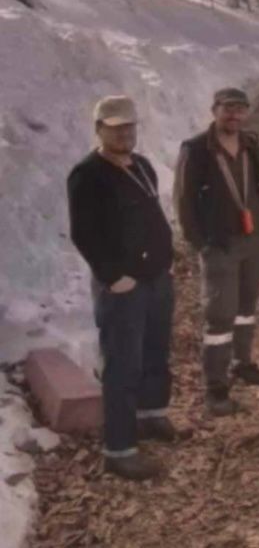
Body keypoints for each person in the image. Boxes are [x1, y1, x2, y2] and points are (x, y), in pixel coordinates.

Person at [67, 96, 176, 481]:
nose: (124, 133)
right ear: (99, 129)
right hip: (124, 286)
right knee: (122, 364)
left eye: (129, 126)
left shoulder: (142, 165)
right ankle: (119, 448)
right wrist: (114, 276)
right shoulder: (88, 174)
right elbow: (84, 233)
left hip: (156, 278)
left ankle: (150, 416)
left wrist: (165, 260)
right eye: (115, 127)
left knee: (155, 351)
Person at [174, 88, 259, 417]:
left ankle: (243, 363)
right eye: (227, 109)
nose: (233, 115)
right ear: (214, 110)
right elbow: (184, 202)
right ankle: (216, 388)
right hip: (221, 244)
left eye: (240, 109)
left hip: (256, 238)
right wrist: (202, 243)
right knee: (220, 315)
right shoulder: (196, 149)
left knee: (247, 306)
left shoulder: (250, 143)